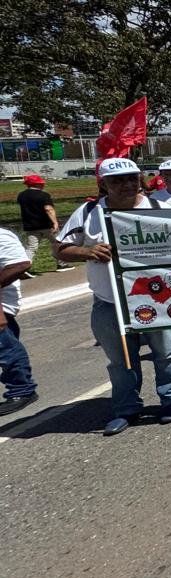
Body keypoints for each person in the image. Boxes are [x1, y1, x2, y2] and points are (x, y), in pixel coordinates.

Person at [53, 158, 171, 436]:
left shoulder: (159, 209)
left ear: (140, 179)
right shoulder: (89, 212)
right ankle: (126, 408)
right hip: (109, 302)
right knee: (121, 360)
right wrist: (87, 252)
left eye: (132, 178)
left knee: (167, 352)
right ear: (103, 184)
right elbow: (60, 249)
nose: (126, 185)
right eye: (117, 181)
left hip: (156, 302)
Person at [0, 227, 37, 414]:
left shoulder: (2, 236)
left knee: (5, 348)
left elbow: (20, 264)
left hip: (2, 302)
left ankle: (22, 390)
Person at [15, 174, 70, 269]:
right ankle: (62, 264)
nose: (43, 185)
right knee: (58, 243)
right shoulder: (43, 195)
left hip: (30, 226)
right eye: (41, 183)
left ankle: (23, 268)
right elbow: (48, 209)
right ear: (37, 184)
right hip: (46, 225)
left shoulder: (21, 195)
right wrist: (55, 222)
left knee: (31, 248)